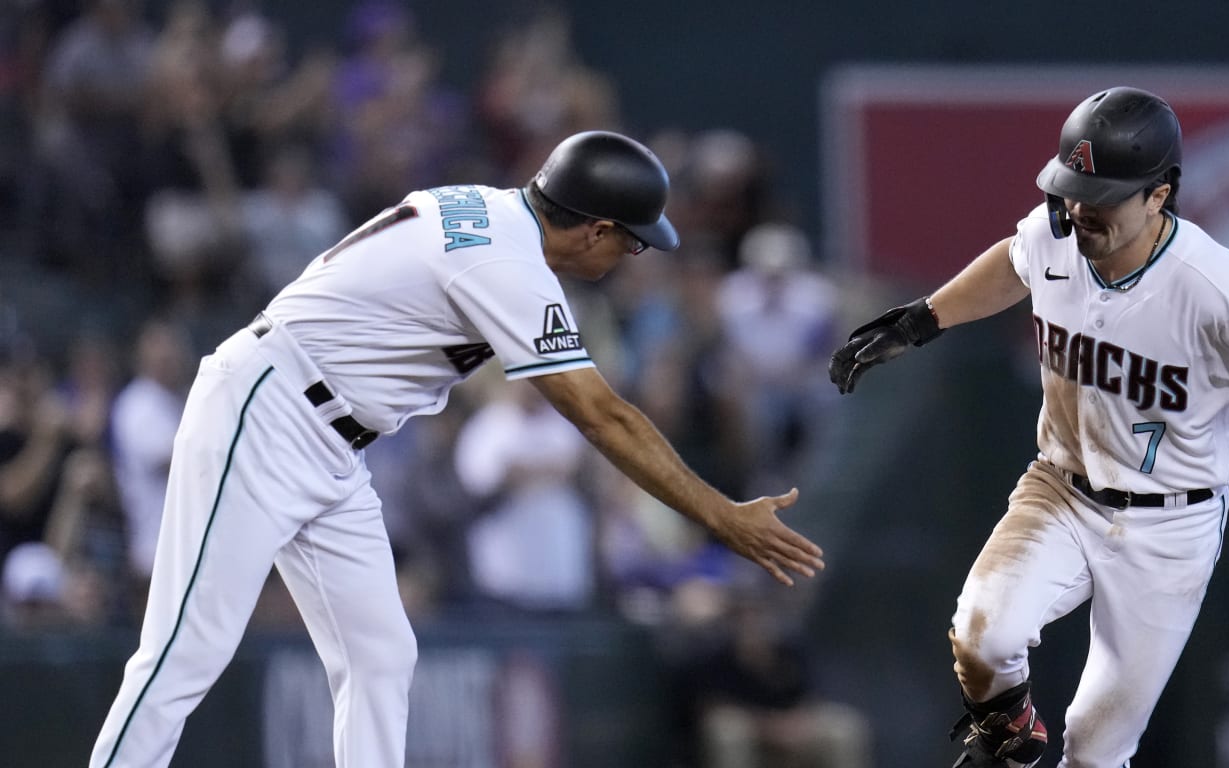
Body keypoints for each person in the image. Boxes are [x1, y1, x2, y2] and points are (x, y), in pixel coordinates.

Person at [89, 130, 825, 768]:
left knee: (381, 655)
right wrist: (722, 516)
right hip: (267, 410)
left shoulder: (489, 209)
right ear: (596, 229)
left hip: (328, 437)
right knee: (185, 650)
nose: (634, 253)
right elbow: (602, 416)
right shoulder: (506, 261)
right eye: (632, 238)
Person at [829, 87, 1229, 768]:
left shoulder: (1215, 287)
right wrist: (923, 319)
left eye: (1104, 194)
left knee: (1095, 744)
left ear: (1159, 195)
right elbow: (1014, 261)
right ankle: (1008, 738)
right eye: (1074, 187)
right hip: (1059, 490)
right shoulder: (1056, 229)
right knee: (981, 633)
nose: (1081, 207)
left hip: (1173, 527)